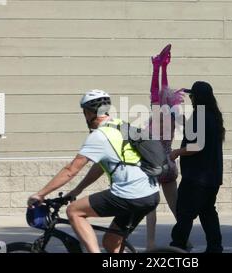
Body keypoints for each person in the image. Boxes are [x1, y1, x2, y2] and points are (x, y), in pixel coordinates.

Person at [27, 89, 160, 253]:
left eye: (84, 112)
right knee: (111, 242)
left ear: (89, 112)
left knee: (73, 211)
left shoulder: (99, 136)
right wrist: (77, 190)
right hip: (150, 194)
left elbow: (70, 170)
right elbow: (100, 166)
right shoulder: (120, 125)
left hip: (130, 194)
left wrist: (40, 194)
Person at [169, 81, 225, 253]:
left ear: (197, 98)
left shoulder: (200, 115)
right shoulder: (214, 116)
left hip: (196, 177)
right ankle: (215, 248)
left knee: (185, 213)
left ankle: (177, 247)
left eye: (192, 95)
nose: (190, 98)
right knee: (208, 213)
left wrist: (176, 152)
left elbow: (197, 145)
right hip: (212, 177)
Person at [145, 44, 186, 250]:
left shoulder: (155, 117)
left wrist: (157, 68)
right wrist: (164, 67)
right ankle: (183, 239)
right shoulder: (171, 117)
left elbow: (156, 90)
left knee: (150, 206)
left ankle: (150, 243)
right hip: (169, 163)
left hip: (153, 163)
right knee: (176, 206)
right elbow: (163, 90)